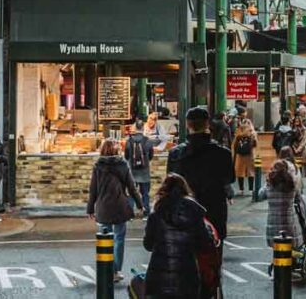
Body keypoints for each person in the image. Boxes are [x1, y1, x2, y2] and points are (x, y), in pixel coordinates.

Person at [167, 106, 234, 297]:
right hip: (214, 216)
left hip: (184, 217)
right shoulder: (222, 154)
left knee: (184, 264)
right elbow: (228, 179)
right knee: (213, 263)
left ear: (188, 125)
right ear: (207, 125)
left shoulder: (176, 155)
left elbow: (170, 183)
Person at [144, 174, 218, 298]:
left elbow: (148, 245)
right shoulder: (195, 213)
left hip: (158, 277)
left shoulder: (156, 214)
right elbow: (204, 244)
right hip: (187, 276)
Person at [87, 139, 143, 281]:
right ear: (117, 150)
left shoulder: (98, 166)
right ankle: (116, 271)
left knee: (106, 239)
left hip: (103, 207)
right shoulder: (123, 165)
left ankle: (108, 269)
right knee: (119, 239)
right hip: (120, 206)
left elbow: (93, 189)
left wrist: (90, 209)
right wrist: (140, 204)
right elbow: (131, 188)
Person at [258, 160, 304, 250]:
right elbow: (299, 198)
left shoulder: (270, 185)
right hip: (289, 222)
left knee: (277, 249)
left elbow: (260, 196)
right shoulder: (292, 184)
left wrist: (266, 183)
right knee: (291, 248)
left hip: (273, 223)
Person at [124, 121, 156, 215]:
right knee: (145, 193)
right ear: (143, 128)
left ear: (135, 128)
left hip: (132, 172)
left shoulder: (129, 141)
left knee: (131, 193)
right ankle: (146, 213)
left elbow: (126, 156)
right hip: (144, 172)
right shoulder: (147, 141)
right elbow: (151, 156)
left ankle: (130, 214)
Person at [232, 118, 257, 196]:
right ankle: (250, 189)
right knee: (250, 171)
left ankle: (241, 189)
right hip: (250, 154)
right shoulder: (252, 133)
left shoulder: (238, 132)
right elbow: (255, 144)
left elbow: (234, 144)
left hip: (240, 154)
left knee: (240, 171)